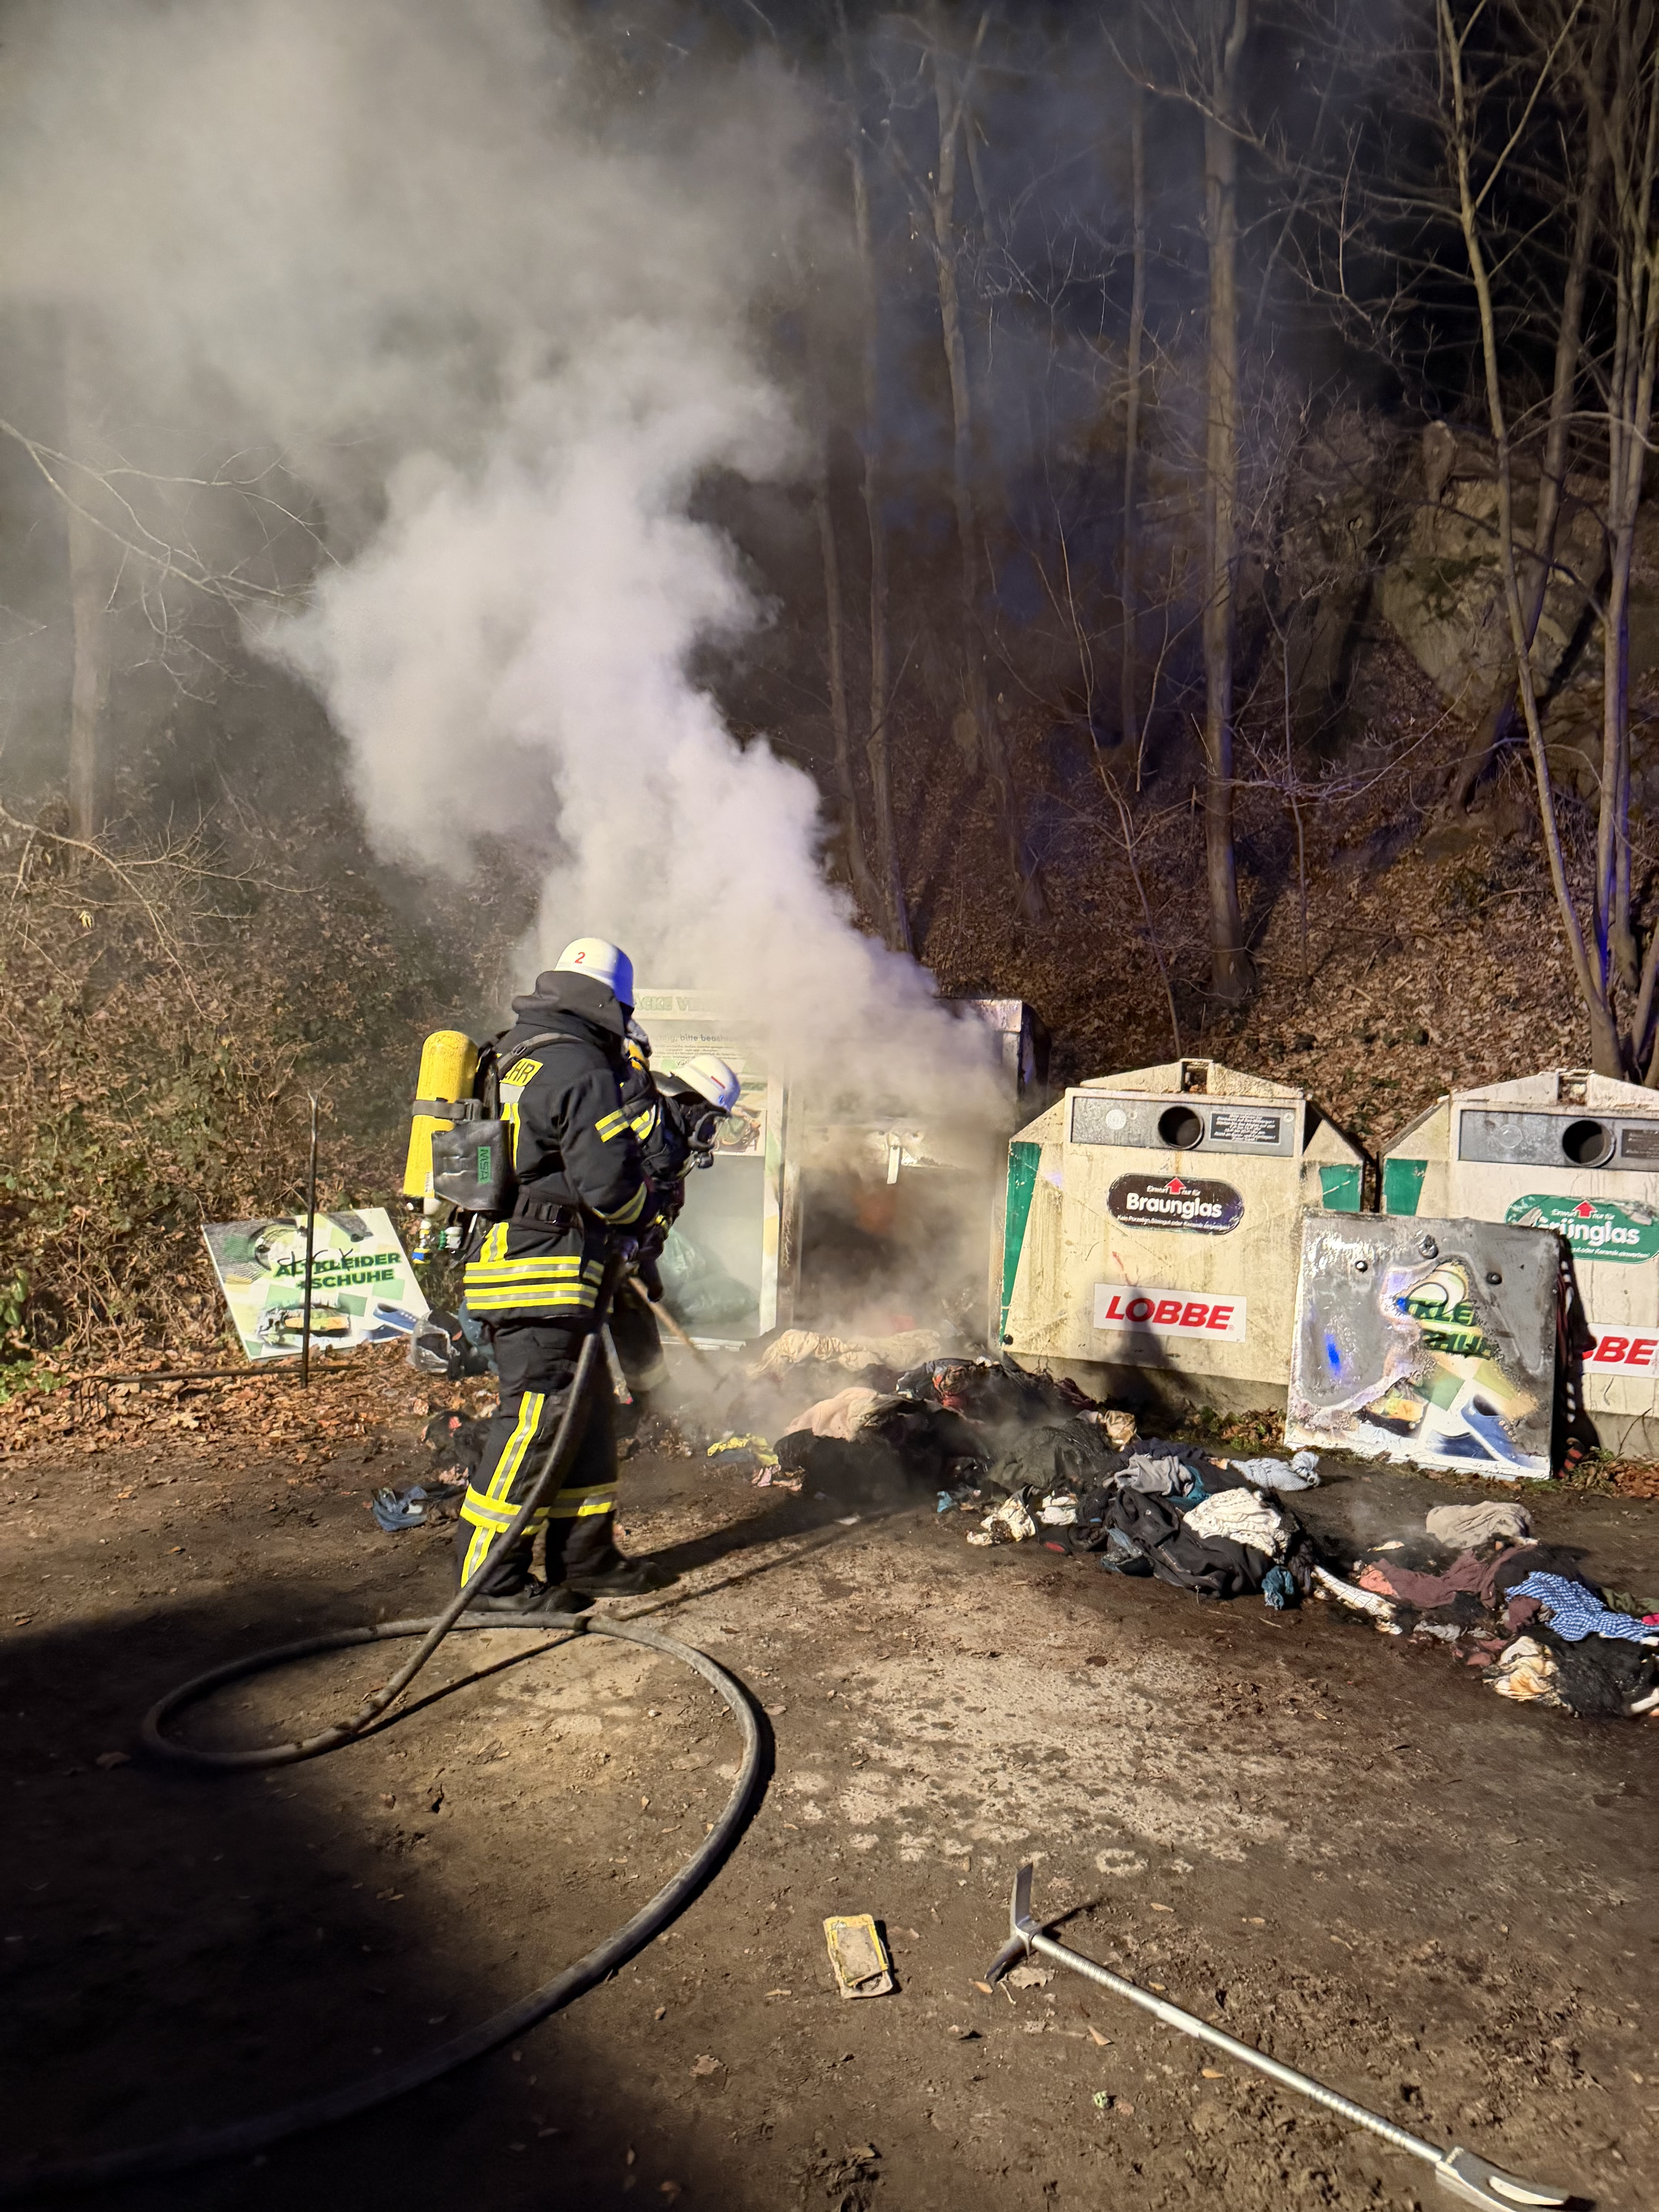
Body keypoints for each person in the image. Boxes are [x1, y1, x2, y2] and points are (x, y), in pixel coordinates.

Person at [455, 937, 673, 1612]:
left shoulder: (510, 1052)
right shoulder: (580, 1066)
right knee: (536, 1418)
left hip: (515, 1260)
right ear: (611, 1004)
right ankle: (492, 1579)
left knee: (584, 1415)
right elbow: (611, 1186)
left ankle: (585, 1558)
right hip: (540, 1271)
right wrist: (643, 1223)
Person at [608, 1047, 744, 1421]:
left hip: (625, 1251)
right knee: (583, 1333)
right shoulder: (639, 1122)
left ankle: (651, 1404)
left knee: (636, 1315)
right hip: (588, 1246)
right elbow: (600, 1180)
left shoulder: (674, 1147)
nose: (713, 1133)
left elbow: (664, 1209)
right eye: (713, 1121)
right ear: (692, 1104)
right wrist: (614, 1238)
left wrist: (647, 1254)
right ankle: (590, 1417)